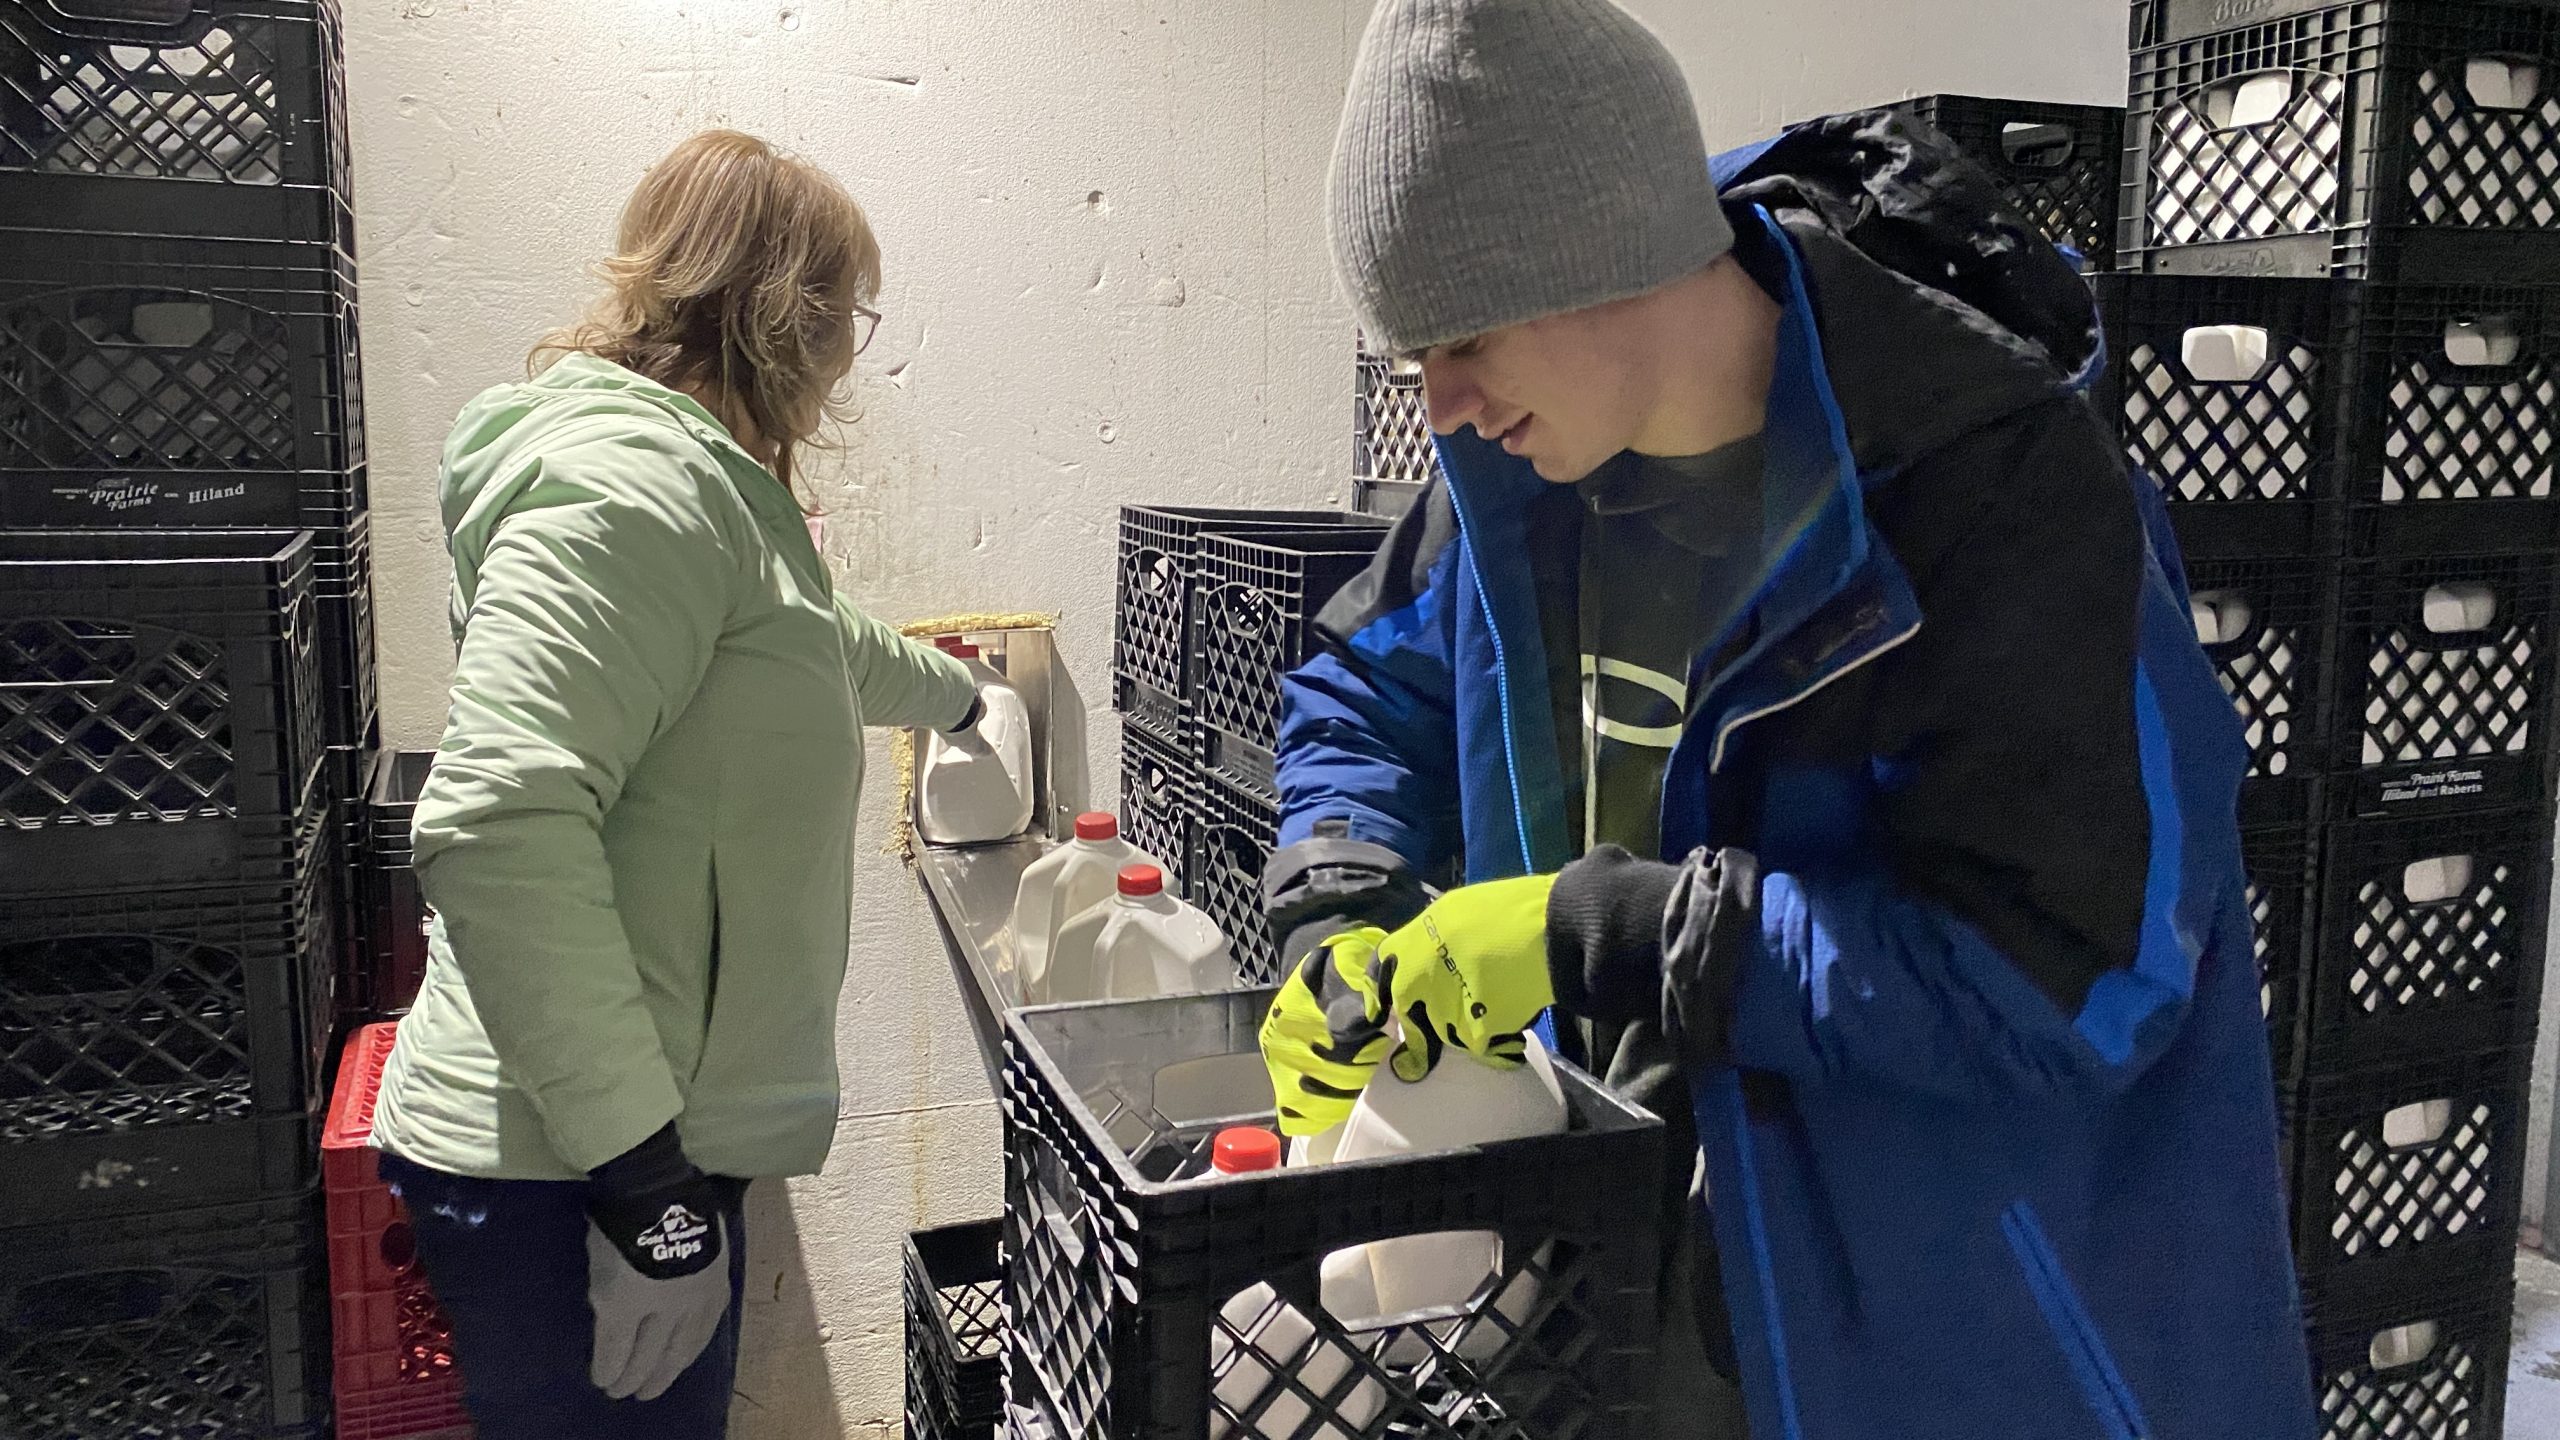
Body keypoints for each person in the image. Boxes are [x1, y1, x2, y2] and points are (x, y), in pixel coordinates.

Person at [1256, 3, 2317, 1438]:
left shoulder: (1987, 491)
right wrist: (1341, 904)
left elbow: (2078, 979)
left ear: (1605, 255)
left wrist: (1601, 933)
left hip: (1921, 1332)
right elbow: (1367, 686)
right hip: (1618, 1274)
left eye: (1458, 337)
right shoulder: (1510, 484)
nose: (1435, 403)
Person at [369, 129, 985, 1440]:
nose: (845, 358)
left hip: (611, 1139)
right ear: (791, 314)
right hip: (577, 1162)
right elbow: (497, 823)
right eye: (847, 315)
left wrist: (962, 694)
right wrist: (646, 1188)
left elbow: (807, 646)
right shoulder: (637, 491)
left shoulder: (702, 493)